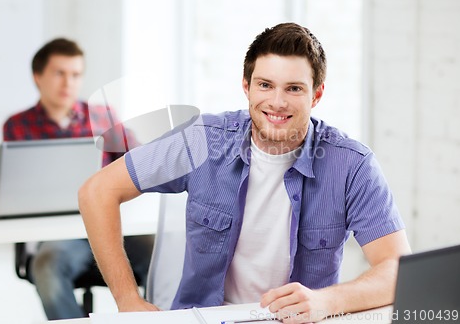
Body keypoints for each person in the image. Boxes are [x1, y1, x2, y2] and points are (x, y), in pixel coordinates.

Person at [78, 23, 411, 323]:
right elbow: (97, 192)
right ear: (246, 86)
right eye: (265, 85)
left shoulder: (351, 164)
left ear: (317, 94)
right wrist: (127, 299)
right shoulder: (201, 139)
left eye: (294, 88)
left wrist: (325, 300)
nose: (277, 102)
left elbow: (397, 269)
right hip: (206, 319)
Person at [3, 38, 154, 320]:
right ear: (38, 77)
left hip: (112, 224)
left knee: (162, 254)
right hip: (61, 235)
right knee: (46, 266)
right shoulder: (17, 125)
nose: (68, 83)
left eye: (75, 74)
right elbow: (18, 191)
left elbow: (140, 160)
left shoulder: (102, 115)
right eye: (59, 73)